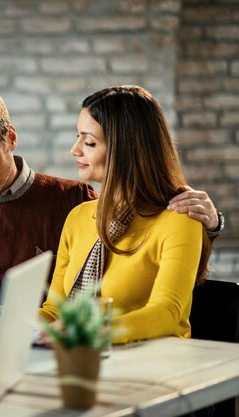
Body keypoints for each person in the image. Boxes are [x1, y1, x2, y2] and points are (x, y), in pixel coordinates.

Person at [0, 91, 222, 317]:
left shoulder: (74, 202)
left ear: (10, 138)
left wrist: (209, 225)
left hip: (44, 344)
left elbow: (140, 249)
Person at [39, 85, 213, 344]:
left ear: (126, 149)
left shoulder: (178, 219)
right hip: (83, 356)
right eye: (78, 137)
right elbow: (55, 312)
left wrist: (96, 332)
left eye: (89, 142)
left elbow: (168, 312)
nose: (75, 150)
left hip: (155, 364)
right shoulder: (78, 217)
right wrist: (4, 319)